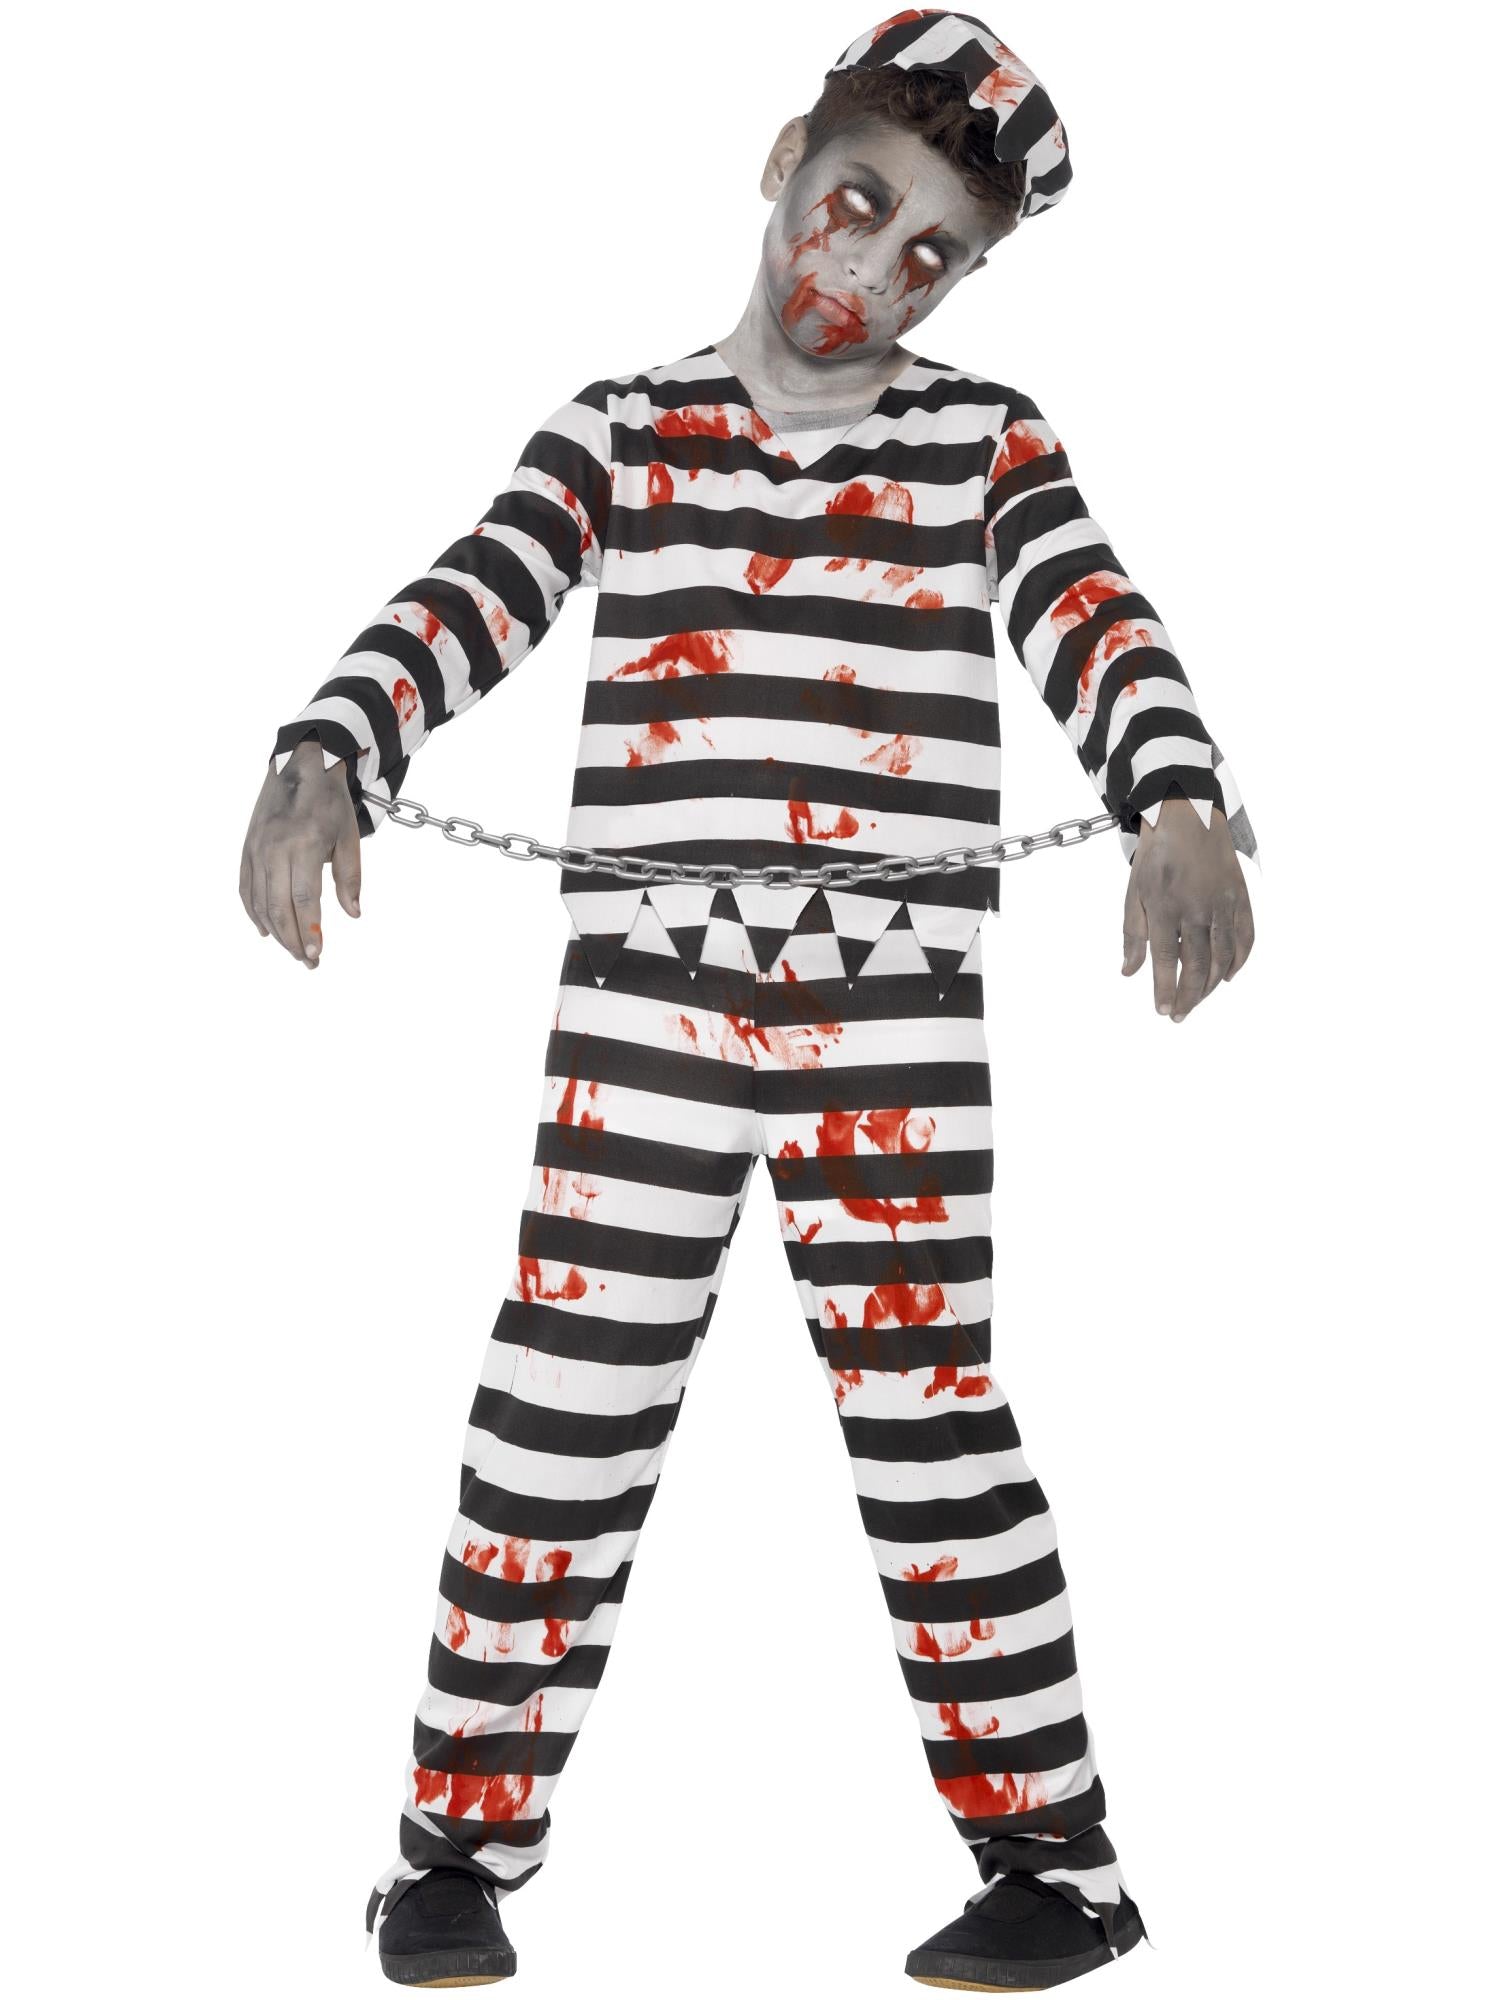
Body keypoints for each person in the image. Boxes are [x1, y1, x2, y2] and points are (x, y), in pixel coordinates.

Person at [241, 13, 1256, 1990]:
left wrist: (1180, 798)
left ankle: (1060, 1866)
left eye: (931, 253)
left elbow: (1093, 615)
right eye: (857, 203)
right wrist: (331, 741)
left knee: (930, 1417)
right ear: (787, 157)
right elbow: (477, 588)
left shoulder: (985, 443)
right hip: (647, 994)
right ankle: (453, 1849)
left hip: (891, 1017)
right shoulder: (622, 427)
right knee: (561, 1401)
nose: (869, 273)